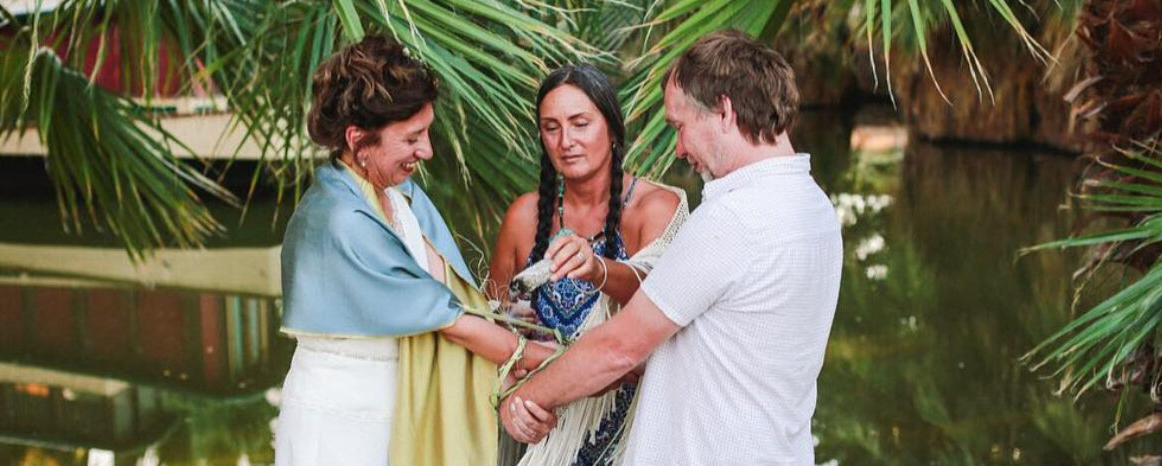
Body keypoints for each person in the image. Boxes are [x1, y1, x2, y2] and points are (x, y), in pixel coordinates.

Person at [498, 29, 844, 465]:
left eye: (680, 127)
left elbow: (620, 347)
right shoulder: (814, 207)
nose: (679, 149)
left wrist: (526, 399)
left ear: (723, 111)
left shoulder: (734, 219)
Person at [276, 35, 555, 466]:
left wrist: (505, 321)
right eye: (412, 138)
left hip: (399, 403)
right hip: (340, 420)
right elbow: (450, 322)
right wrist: (548, 359)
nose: (425, 150)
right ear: (358, 139)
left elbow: (450, 292)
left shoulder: (401, 195)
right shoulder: (338, 219)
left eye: (426, 133)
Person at [486, 64, 686, 466]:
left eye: (580, 123)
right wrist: (512, 395)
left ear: (612, 129)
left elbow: (660, 290)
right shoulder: (526, 217)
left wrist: (599, 270)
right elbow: (492, 328)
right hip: (546, 432)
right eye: (551, 127)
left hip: (635, 433)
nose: (566, 141)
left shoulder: (656, 207)